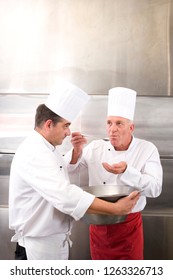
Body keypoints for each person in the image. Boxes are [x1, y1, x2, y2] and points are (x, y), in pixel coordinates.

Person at [9, 81, 140, 260]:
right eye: (65, 125)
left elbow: (57, 173)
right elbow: (65, 194)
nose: (69, 132)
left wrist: (76, 153)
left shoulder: (46, 148)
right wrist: (114, 209)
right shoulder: (35, 152)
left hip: (51, 241)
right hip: (39, 247)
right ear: (49, 124)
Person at [67, 87, 163, 260]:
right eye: (109, 123)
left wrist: (127, 171)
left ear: (131, 127)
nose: (112, 129)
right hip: (98, 223)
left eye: (119, 123)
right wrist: (76, 151)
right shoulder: (96, 147)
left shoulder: (147, 149)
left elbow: (155, 189)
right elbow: (70, 169)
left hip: (128, 226)